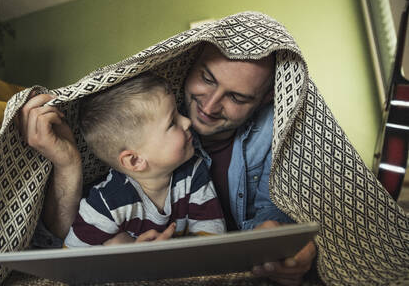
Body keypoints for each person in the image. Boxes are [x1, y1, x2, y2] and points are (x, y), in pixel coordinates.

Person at [19, 44, 316, 285]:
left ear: (266, 99)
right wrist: (116, 253)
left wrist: (285, 248)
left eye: (237, 97)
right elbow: (66, 257)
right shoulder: (140, 127)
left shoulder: (202, 165)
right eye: (208, 79)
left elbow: (231, 234)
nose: (208, 107)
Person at [61, 72, 225, 247]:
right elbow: (71, 259)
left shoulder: (193, 172)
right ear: (135, 161)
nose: (186, 122)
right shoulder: (106, 203)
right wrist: (126, 257)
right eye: (172, 123)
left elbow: (212, 240)